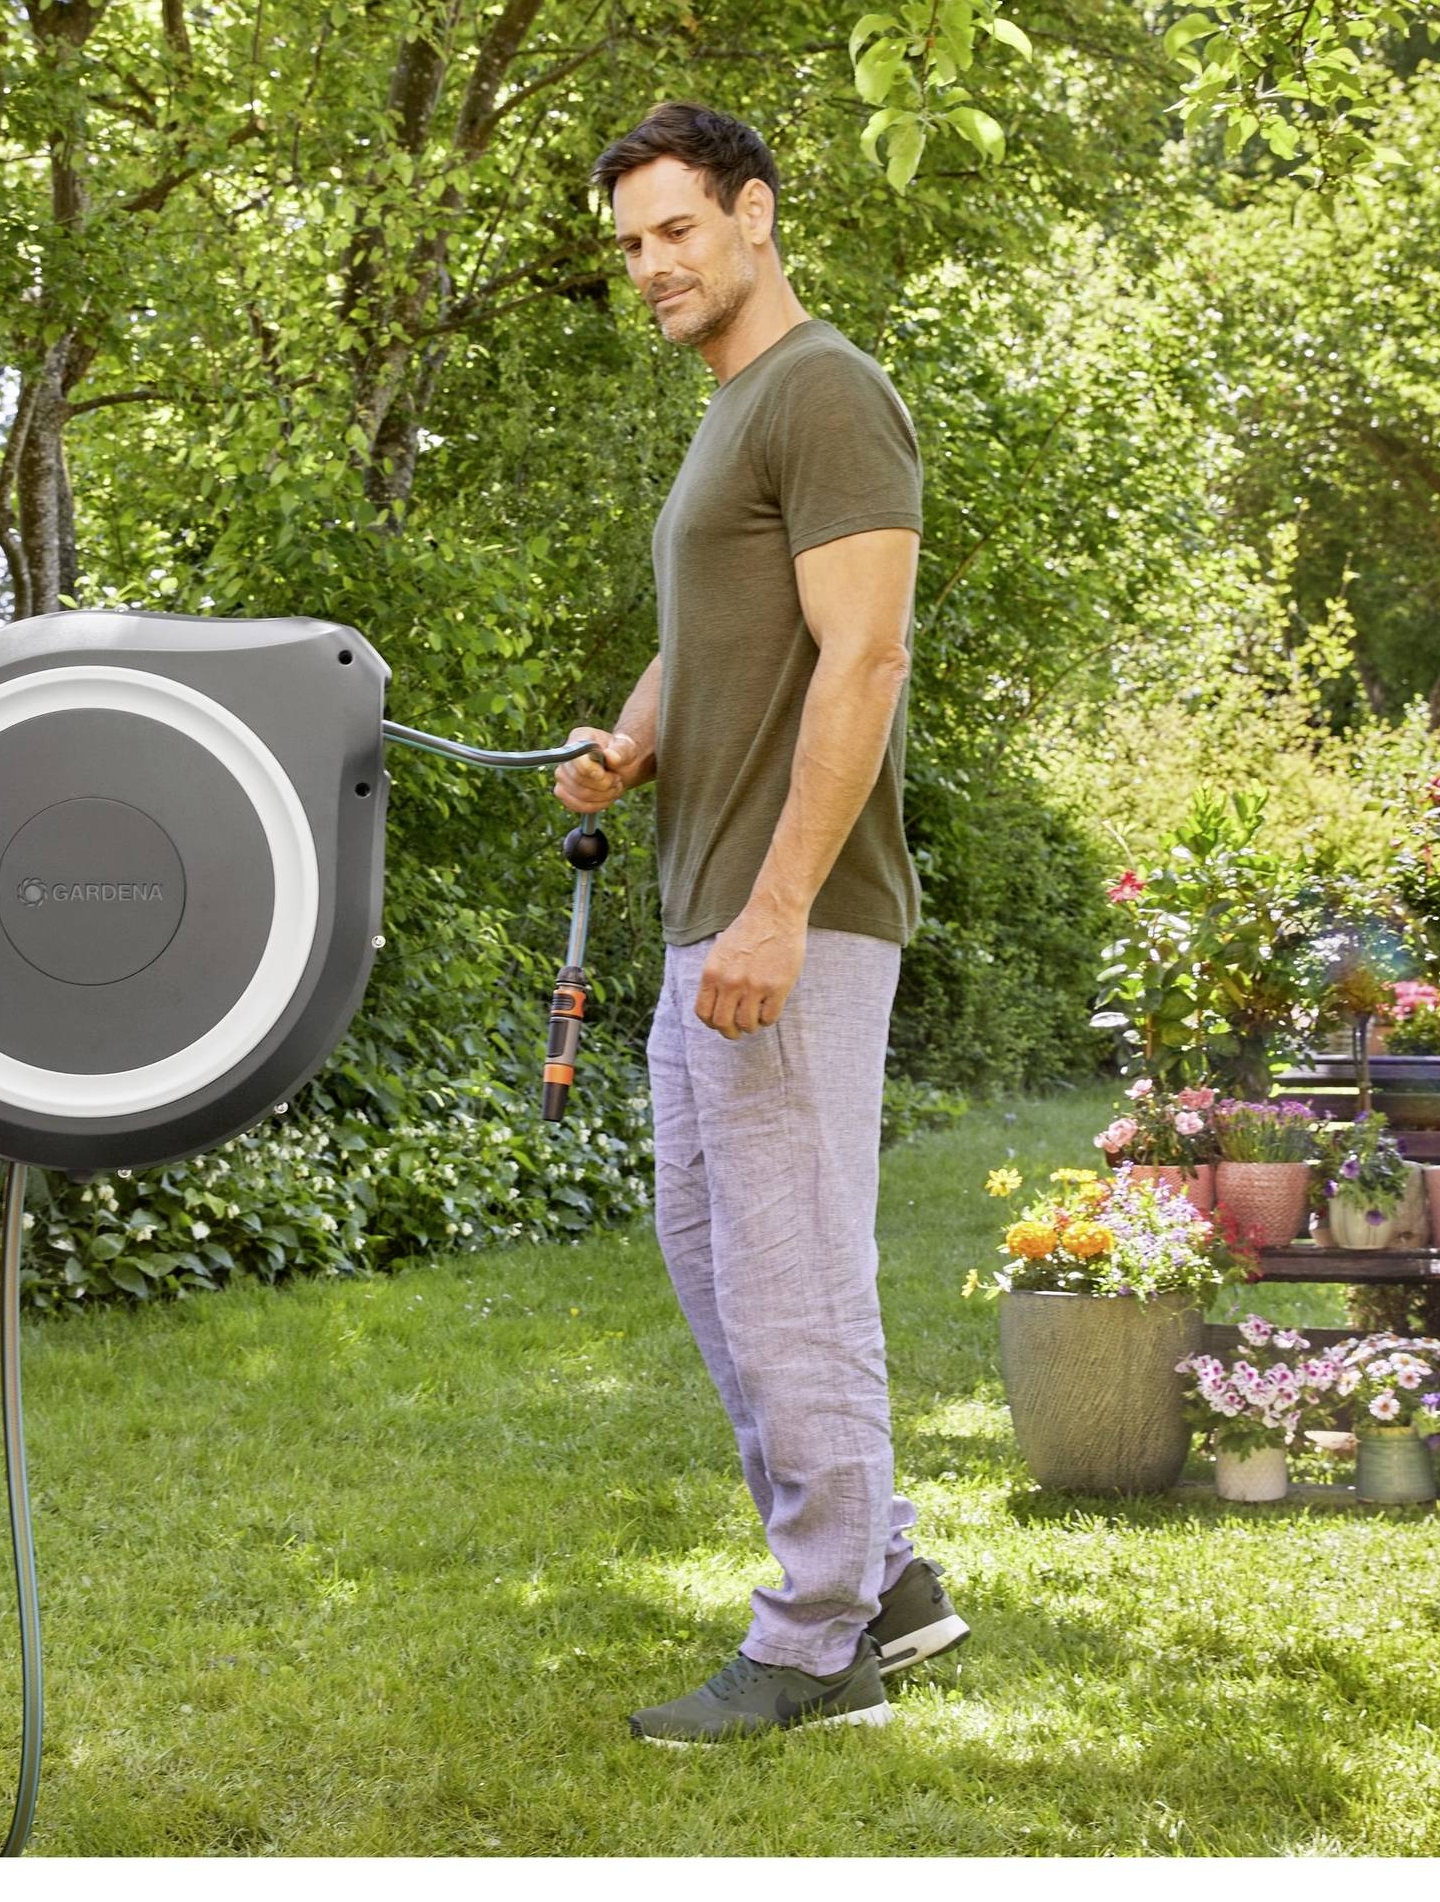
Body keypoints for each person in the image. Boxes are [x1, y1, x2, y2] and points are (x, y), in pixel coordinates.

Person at [561, 101, 968, 1745]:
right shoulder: (736, 410)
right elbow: (725, 631)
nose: (652, 265)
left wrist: (781, 908)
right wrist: (634, 738)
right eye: (631, 245)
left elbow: (865, 657)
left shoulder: (826, 391)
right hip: (706, 905)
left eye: (676, 229)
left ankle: (816, 1645)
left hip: (784, 911)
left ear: (755, 214)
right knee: (721, 1265)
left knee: (793, 1280)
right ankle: (887, 1577)